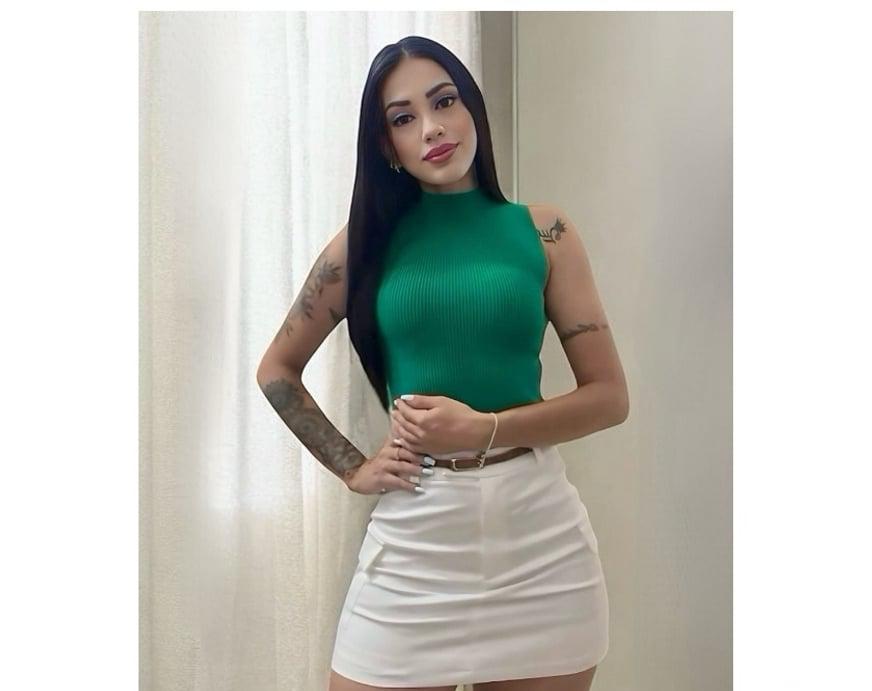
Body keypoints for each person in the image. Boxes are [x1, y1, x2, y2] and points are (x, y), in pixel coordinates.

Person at [256, 35, 629, 691]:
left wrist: (485, 428)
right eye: (403, 118)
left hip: (542, 544)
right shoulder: (362, 248)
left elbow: (608, 397)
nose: (430, 127)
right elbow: (277, 369)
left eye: (444, 101)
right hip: (416, 537)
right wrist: (353, 467)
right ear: (387, 145)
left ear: (471, 107)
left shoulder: (545, 233)